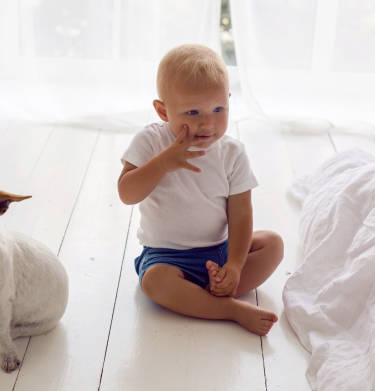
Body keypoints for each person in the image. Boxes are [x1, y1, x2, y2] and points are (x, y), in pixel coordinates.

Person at [118, 44, 283, 336]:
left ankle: (215, 290)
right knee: (154, 282)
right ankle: (228, 309)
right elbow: (127, 194)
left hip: (219, 251)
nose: (208, 123)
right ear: (163, 111)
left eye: (218, 109)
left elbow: (241, 213)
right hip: (167, 257)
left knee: (273, 244)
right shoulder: (150, 142)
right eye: (192, 112)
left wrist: (234, 265)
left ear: (229, 101)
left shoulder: (231, 152)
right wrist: (162, 164)